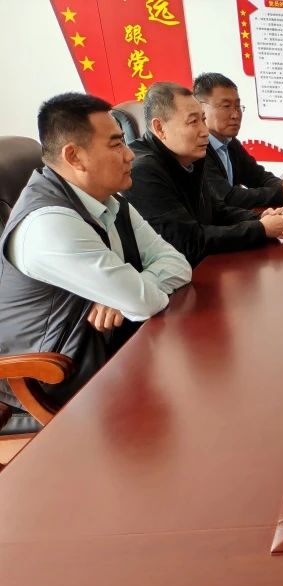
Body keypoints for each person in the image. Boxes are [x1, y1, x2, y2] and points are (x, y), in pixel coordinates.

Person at [0, 93, 191, 427]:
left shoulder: (109, 202)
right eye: (116, 144)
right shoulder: (49, 225)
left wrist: (125, 292)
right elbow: (143, 301)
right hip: (49, 382)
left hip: (108, 353)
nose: (130, 154)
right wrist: (130, 292)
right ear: (74, 156)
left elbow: (176, 263)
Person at [125, 82, 283, 265]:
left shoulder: (189, 154)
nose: (205, 131)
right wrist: (260, 229)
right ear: (160, 128)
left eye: (203, 120)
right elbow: (189, 242)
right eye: (193, 122)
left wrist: (261, 218)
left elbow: (215, 210)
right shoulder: (142, 171)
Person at [192, 72, 283, 209]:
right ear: (201, 108)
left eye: (238, 106)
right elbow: (228, 198)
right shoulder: (197, 150)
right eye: (226, 106)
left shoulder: (230, 143)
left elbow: (258, 176)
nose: (235, 114)